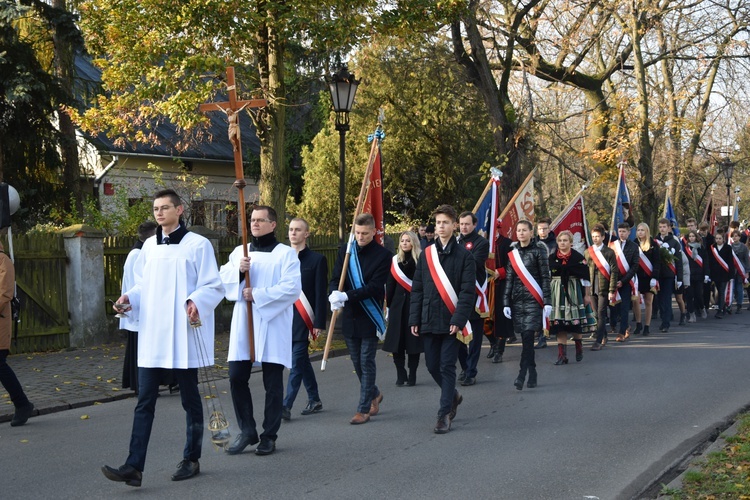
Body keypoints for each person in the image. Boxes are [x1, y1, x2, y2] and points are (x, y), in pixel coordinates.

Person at [102, 189, 224, 486]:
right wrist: (128, 298)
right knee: (145, 400)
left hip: (182, 333)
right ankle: (133, 466)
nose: (159, 212)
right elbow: (143, 286)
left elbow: (213, 285)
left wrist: (197, 301)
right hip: (154, 334)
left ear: (180, 210)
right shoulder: (149, 248)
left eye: (165, 207)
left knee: (189, 399)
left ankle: (191, 458)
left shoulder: (199, 245)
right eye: (156, 208)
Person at [220, 206, 301, 456]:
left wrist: (257, 294)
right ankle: (247, 430)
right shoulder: (239, 252)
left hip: (272, 321)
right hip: (244, 322)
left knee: (272, 383)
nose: (254, 224)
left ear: (273, 224)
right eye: (252, 220)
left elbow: (291, 289)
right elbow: (222, 280)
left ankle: (269, 435)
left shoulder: (286, 254)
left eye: (260, 220)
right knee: (236, 377)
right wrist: (239, 271)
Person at [409, 205, 474, 433]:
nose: (441, 226)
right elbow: (417, 288)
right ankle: (453, 395)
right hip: (428, 318)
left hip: (451, 321)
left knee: (447, 366)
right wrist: (414, 318)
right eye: (438, 223)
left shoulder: (465, 256)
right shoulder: (426, 254)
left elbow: (467, 292)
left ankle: (443, 413)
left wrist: (459, 318)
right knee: (431, 365)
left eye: (445, 222)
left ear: (454, 225)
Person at [329, 213, 391, 425]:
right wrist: (333, 295)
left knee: (366, 361)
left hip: (369, 315)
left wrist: (347, 296)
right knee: (357, 362)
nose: (361, 237)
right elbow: (336, 278)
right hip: (350, 317)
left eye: (365, 233)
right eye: (357, 233)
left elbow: (375, 287)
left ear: (374, 232)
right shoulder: (346, 253)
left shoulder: (383, 255)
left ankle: (363, 409)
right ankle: (374, 393)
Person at [282, 218, 327, 421]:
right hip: (284, 318)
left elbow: (319, 293)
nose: (293, 233)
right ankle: (315, 398)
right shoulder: (281, 258)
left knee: (296, 362)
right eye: (291, 229)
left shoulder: (316, 260)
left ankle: (285, 405)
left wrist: (318, 323)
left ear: (306, 234)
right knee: (302, 361)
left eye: (298, 230)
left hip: (304, 318)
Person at [503, 220, 552, 390]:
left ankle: (521, 374)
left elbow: (546, 278)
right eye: (518, 230)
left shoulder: (539, 251)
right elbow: (509, 279)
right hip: (517, 302)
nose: (521, 233)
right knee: (525, 339)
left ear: (532, 233)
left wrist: (547, 302)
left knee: (529, 338)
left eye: (524, 230)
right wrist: (505, 302)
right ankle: (533, 372)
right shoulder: (512, 254)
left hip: (534, 300)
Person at [120, 221, 158, 395]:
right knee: (137, 350)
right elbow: (137, 284)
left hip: (139, 308)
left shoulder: (139, 252)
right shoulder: (137, 254)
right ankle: (139, 385)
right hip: (136, 309)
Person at [383, 231, 423, 386]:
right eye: (402, 241)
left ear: (413, 243)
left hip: (414, 306)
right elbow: (390, 285)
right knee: (396, 343)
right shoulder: (395, 261)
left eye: (408, 240)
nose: (404, 243)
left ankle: (412, 373)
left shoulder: (420, 260)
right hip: (398, 307)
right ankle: (401, 373)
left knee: (414, 343)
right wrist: (389, 306)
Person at [0, 242, 34, 427]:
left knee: (0, 364)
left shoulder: (3, 261)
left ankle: (22, 404)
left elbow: (4, 293)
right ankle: (22, 404)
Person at [456, 211, 489, 386]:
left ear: (474, 225)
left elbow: (474, 263)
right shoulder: (456, 242)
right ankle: (464, 366)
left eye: (467, 224)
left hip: (475, 295)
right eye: (461, 224)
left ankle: (471, 371)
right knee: (458, 335)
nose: (464, 227)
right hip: (459, 294)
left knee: (475, 337)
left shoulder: (482, 242)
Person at [548, 231, 591, 365]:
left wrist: (587, 295)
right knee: (559, 324)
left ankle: (579, 347)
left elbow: (585, 278)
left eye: (565, 240)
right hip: (556, 291)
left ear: (570, 242)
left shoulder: (577, 258)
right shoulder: (552, 257)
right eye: (560, 240)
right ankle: (562, 356)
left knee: (575, 323)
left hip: (573, 290)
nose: (562, 243)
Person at [586, 224, 618, 351]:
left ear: (603, 237)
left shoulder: (609, 252)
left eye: (597, 236)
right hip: (592, 286)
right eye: (593, 236)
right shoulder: (588, 252)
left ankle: (598, 341)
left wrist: (612, 290)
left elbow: (614, 272)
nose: (595, 239)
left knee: (601, 313)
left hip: (603, 287)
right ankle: (603, 334)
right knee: (595, 313)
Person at [612, 222, 640, 341]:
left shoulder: (633, 246)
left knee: (624, 306)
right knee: (615, 306)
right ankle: (622, 326)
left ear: (629, 232)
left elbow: (635, 266)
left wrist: (623, 281)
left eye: (624, 231)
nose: (621, 234)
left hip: (627, 281)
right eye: (620, 231)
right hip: (614, 280)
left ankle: (622, 332)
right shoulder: (612, 245)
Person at [654, 218, 683, 332]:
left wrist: (679, 278)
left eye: (664, 227)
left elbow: (678, 261)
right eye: (660, 227)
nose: (662, 229)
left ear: (668, 228)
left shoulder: (674, 242)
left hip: (669, 274)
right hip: (657, 274)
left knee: (666, 299)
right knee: (659, 299)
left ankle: (666, 323)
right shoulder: (655, 241)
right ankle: (663, 318)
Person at [490, 230, 515, 363]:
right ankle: (492, 344)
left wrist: (500, 272)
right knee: (485, 319)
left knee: (501, 318)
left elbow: (513, 265)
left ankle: (499, 350)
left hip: (502, 286)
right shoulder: (483, 243)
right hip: (485, 286)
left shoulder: (507, 243)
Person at [533, 217, 557, 349]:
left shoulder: (555, 243)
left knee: (546, 307)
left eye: (545, 228)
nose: (542, 231)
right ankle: (539, 330)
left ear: (549, 229)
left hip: (550, 278)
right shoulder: (533, 243)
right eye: (540, 228)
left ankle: (544, 335)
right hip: (535, 279)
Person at [633, 223, 660, 336]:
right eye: (638, 230)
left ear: (647, 231)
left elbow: (657, 263)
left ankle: (647, 326)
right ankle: (638, 323)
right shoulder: (634, 243)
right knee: (636, 300)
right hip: (637, 277)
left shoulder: (654, 244)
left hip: (649, 277)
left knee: (649, 301)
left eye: (642, 230)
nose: (640, 232)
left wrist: (654, 277)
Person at [709, 231, 734, 318]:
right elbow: (710, 261)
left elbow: (731, 261)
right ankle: (723, 307)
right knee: (718, 291)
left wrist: (731, 274)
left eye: (720, 238)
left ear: (723, 239)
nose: (718, 240)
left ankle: (719, 311)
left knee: (722, 291)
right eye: (717, 238)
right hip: (715, 273)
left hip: (724, 273)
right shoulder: (712, 247)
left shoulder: (728, 248)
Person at [684, 230, 709, 322]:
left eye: (693, 236)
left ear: (697, 237)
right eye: (690, 236)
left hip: (699, 275)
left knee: (698, 295)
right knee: (689, 296)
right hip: (688, 275)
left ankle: (702, 308)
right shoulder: (686, 249)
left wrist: (706, 274)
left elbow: (706, 262)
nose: (691, 238)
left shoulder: (701, 249)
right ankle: (692, 315)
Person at [730, 229, 750, 314]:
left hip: (741, 269)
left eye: (736, 236)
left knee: (739, 287)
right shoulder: (729, 247)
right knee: (732, 288)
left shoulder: (744, 247)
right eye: (733, 236)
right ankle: (730, 305)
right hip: (732, 270)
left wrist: (747, 271)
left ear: (739, 237)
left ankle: (739, 305)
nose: (735, 238)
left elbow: (747, 260)